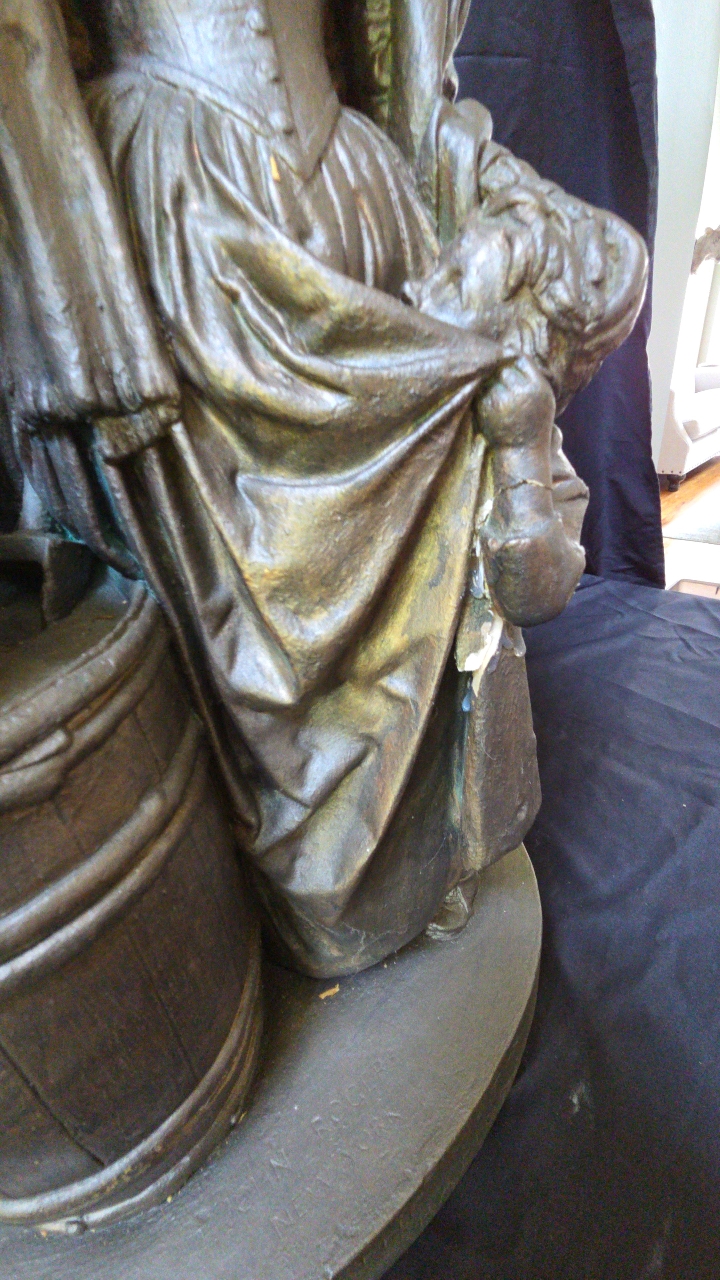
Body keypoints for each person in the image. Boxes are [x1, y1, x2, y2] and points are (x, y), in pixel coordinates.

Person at [0, 0, 646, 975]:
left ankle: (407, 854)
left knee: (428, 559)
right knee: (242, 603)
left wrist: (455, 179)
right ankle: (294, 892)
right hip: (184, 214)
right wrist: (75, 307)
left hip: (356, 188)